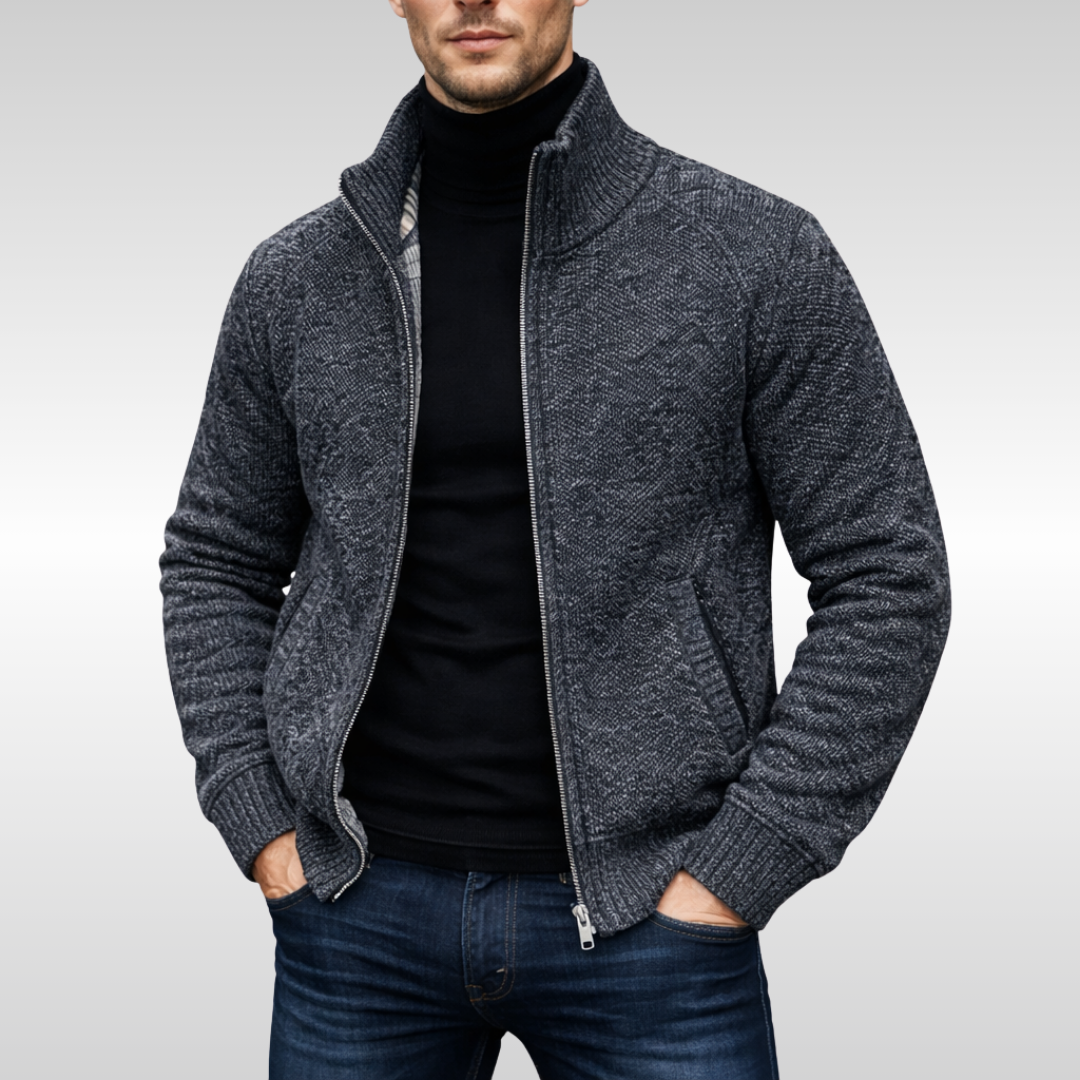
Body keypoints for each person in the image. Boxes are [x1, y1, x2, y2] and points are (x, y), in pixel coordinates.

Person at [160, 1, 950, 1075]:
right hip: (355, 917)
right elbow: (216, 559)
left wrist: (742, 866)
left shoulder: (752, 256)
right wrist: (260, 824)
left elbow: (888, 571)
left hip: (655, 929)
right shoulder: (296, 279)